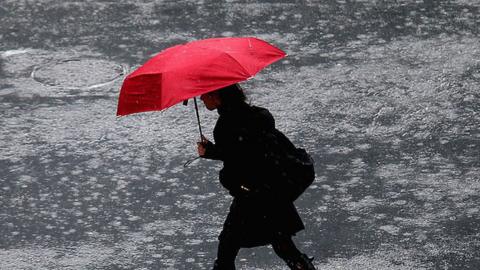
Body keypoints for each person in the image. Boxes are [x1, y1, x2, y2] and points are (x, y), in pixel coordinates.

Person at [197, 83, 316, 270]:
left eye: (204, 93)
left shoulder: (226, 125)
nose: (201, 98)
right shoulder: (255, 115)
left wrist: (211, 154)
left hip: (252, 194)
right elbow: (246, 150)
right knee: (280, 240)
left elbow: (237, 163)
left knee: (228, 245)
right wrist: (214, 151)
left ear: (216, 95)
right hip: (273, 189)